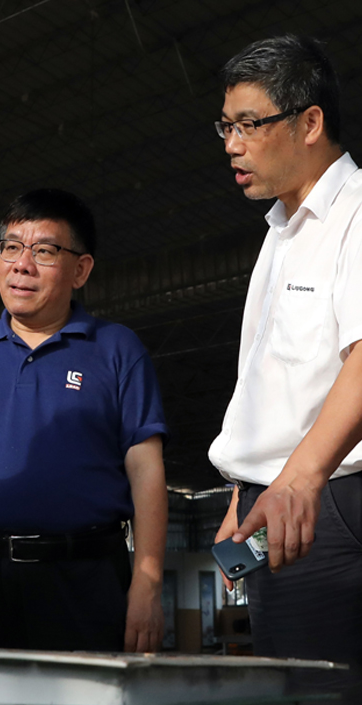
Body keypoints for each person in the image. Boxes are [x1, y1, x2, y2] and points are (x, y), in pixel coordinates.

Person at [0, 188, 169, 653]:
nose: (22, 265)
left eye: (44, 251)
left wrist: (147, 582)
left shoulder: (117, 350)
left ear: (81, 270)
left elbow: (146, 470)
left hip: (84, 578)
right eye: (12, 247)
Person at [209, 35, 362, 701]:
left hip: (329, 501)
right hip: (281, 502)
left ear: (310, 122)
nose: (232, 144)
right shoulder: (282, 233)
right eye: (225, 127)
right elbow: (272, 387)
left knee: (317, 691)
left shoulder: (355, 213)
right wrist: (243, 494)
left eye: (248, 124)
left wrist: (296, 482)